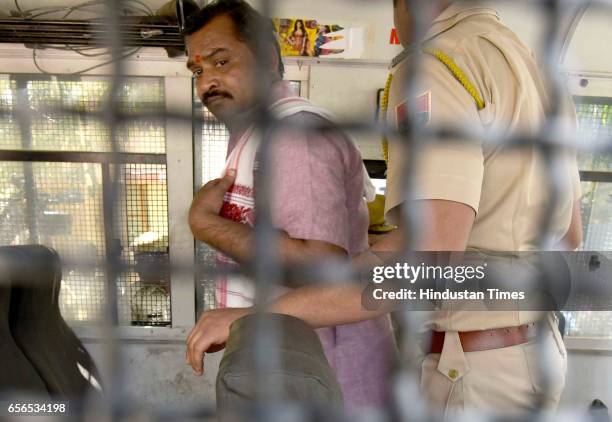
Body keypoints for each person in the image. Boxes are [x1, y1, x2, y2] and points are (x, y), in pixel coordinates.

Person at [188, 0, 584, 416]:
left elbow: (429, 259)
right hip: (533, 353)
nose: (205, 82)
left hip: (467, 371)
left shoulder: (437, 64)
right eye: (198, 70)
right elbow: (567, 236)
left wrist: (249, 313)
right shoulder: (535, 69)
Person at [183, 0, 394, 410]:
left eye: (221, 61)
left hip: (330, 378)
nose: (207, 81)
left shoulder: (295, 134)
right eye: (198, 70)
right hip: (290, 366)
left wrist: (204, 222)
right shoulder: (255, 134)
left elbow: (318, 269)